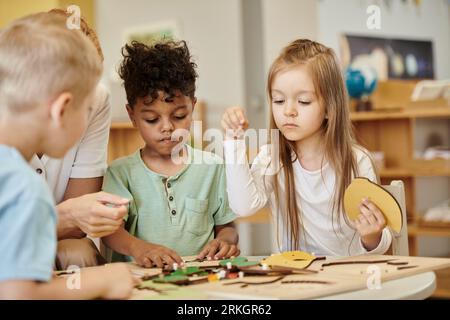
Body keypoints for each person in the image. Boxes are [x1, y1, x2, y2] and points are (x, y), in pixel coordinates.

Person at [0, 12, 137, 299]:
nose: (91, 117)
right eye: (87, 109)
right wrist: (105, 281)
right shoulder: (24, 188)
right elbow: (17, 295)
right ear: (61, 110)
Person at [222, 39, 392, 256]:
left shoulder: (356, 161)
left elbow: (382, 241)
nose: (289, 111)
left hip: (348, 278)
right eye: (279, 100)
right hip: (296, 280)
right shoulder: (272, 157)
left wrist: (371, 236)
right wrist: (233, 140)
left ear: (330, 107)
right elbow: (242, 207)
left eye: (303, 101)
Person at [102, 40, 239, 268]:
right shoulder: (120, 173)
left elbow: (226, 227)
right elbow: (109, 232)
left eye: (178, 116)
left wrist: (225, 241)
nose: (167, 127)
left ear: (192, 107)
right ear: (132, 115)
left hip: (201, 281)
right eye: (152, 119)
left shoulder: (213, 167)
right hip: (141, 284)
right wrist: (139, 248)